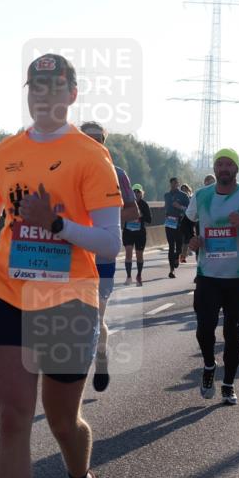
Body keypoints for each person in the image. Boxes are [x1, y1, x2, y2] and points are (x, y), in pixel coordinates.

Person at [0, 53, 121, 478]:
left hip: (68, 298)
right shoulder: (5, 152)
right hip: (8, 293)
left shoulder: (90, 156)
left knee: (61, 422)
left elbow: (108, 241)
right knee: (12, 418)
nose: (44, 95)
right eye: (36, 86)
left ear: (72, 94)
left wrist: (54, 222)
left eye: (55, 87)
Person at [186, 148, 239, 404]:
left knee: (233, 335)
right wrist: (191, 241)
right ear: (214, 169)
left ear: (236, 169)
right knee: (204, 329)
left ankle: (229, 384)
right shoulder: (201, 196)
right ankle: (210, 365)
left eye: (228, 164)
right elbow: (185, 222)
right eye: (220, 164)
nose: (224, 168)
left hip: (237, 278)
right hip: (208, 276)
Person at [79, 121, 138, 394]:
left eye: (98, 139)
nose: (93, 144)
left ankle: (99, 355)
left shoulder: (117, 173)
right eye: (87, 138)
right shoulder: (67, 171)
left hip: (102, 257)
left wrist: (104, 223)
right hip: (72, 256)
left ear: (104, 142)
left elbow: (132, 212)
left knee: (94, 316)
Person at [124, 184, 152, 286]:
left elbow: (149, 220)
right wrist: (129, 215)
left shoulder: (144, 204)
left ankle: (139, 276)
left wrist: (141, 216)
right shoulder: (127, 204)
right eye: (134, 192)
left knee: (139, 255)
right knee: (128, 253)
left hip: (140, 233)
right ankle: (128, 277)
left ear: (142, 194)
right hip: (128, 232)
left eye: (138, 192)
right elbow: (122, 216)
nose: (136, 194)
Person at [163, 178, 190, 278]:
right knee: (171, 246)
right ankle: (171, 270)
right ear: (170, 184)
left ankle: (177, 256)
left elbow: (189, 209)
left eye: (176, 183)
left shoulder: (183, 195)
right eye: (172, 183)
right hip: (169, 223)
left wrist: (179, 207)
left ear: (178, 184)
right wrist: (166, 213)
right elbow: (166, 207)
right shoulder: (166, 195)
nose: (174, 185)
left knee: (179, 245)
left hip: (180, 223)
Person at [179, 183, 195, 264]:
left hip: (189, 220)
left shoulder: (192, 198)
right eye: (182, 190)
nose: (184, 191)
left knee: (187, 238)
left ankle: (184, 255)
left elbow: (191, 209)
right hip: (180, 220)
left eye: (185, 189)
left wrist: (181, 207)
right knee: (182, 239)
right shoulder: (179, 198)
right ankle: (182, 255)